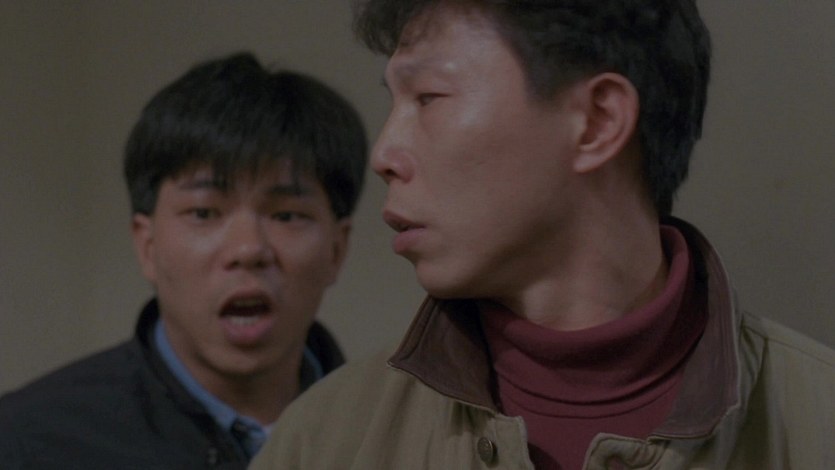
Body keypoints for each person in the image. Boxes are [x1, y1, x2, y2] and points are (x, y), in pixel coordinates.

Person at [251, 1, 835, 469]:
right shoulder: (325, 439)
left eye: (428, 98)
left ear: (598, 122)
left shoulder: (818, 423)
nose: (383, 154)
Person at [0, 52, 367, 468]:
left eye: (286, 216)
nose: (248, 250)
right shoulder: (29, 442)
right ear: (147, 245)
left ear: (337, 249)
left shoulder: (393, 433)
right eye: (204, 213)